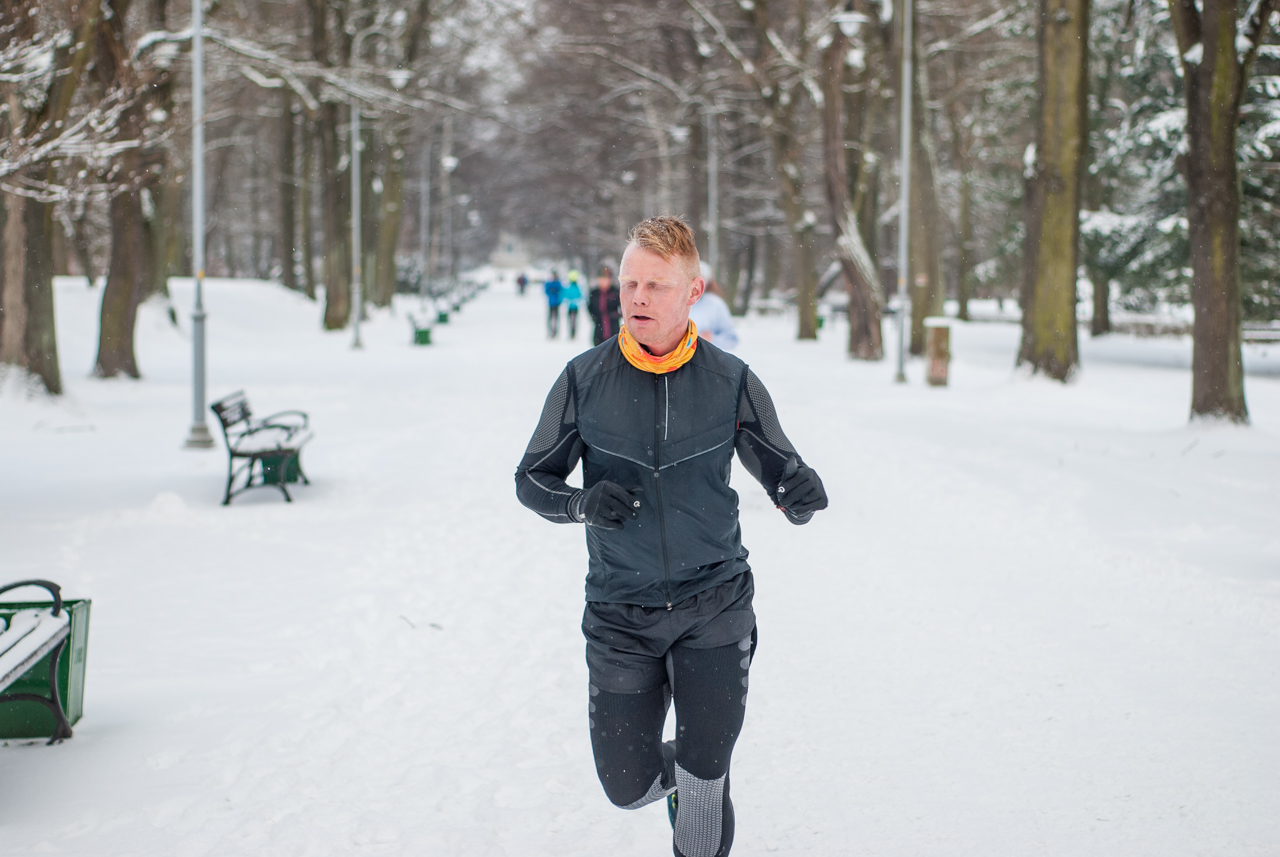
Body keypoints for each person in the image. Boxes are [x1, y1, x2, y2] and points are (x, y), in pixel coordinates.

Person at [515, 216, 828, 857]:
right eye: (630, 282)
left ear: (693, 292)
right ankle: (691, 778)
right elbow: (530, 480)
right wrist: (579, 502)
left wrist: (800, 493)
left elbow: (782, 468)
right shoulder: (583, 378)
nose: (636, 298)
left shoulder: (731, 380)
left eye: (655, 285)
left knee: (707, 784)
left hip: (714, 605)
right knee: (626, 787)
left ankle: (702, 785)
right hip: (619, 614)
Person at [688, 279, 739, 350]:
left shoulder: (715, 304)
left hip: (704, 357)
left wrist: (711, 339)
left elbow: (731, 339)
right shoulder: (673, 300)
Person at [587, 265, 622, 346]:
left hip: (613, 328)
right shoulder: (594, 293)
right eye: (601, 279)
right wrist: (594, 317)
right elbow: (590, 307)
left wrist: (617, 315)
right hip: (599, 328)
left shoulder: (616, 292)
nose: (603, 281)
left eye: (606, 279)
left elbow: (624, 306)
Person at [564, 271, 583, 339]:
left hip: (573, 307)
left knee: (572, 320)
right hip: (573, 307)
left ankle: (572, 332)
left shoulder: (570, 288)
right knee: (573, 320)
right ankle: (572, 332)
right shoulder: (575, 288)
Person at [544, 271, 564, 338]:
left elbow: (561, 292)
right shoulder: (551, 283)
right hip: (551, 303)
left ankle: (555, 332)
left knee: (555, 318)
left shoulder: (557, 284)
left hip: (556, 303)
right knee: (551, 318)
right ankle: (551, 331)